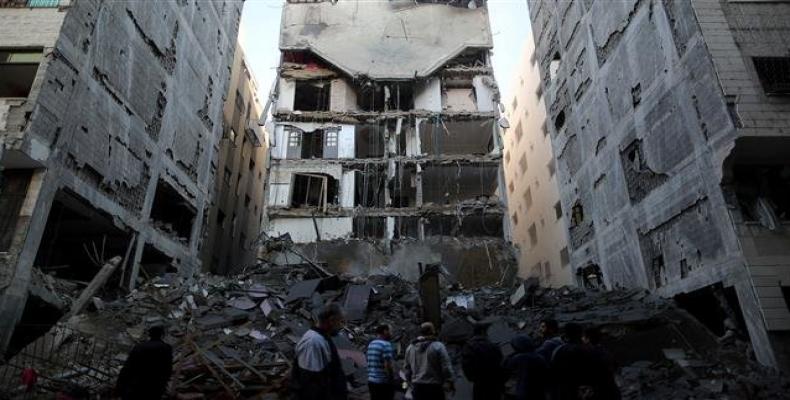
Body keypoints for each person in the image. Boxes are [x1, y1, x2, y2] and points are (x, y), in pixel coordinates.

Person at [291, 303, 348, 400]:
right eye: (341, 322)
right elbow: (311, 383)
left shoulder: (322, 338)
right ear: (331, 320)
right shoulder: (313, 342)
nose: (342, 326)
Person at [116, 325, 173, 400]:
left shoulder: (139, 347)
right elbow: (168, 369)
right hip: (155, 386)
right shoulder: (167, 348)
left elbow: (128, 367)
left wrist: (120, 385)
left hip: (137, 385)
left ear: (149, 335)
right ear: (162, 335)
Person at [403, 322, 455, 400]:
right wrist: (449, 380)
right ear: (433, 331)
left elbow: (407, 368)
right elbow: (446, 366)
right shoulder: (438, 346)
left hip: (417, 387)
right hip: (434, 388)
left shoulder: (410, 347)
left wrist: (408, 382)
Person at [461, 323, 505, 400]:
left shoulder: (469, 347)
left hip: (478, 382)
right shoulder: (493, 346)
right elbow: (500, 362)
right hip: (493, 382)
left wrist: (472, 378)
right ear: (482, 332)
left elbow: (466, 365)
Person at [503, 334, 549, 400]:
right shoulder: (540, 357)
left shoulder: (518, 357)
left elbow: (506, 368)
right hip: (539, 391)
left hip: (524, 391)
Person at [549, 323, 587, 400]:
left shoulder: (559, 350)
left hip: (564, 390)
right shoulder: (587, 350)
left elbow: (553, 372)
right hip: (582, 390)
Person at [582, 327, 621, 400]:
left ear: (588, 338)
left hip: (601, 391)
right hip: (611, 389)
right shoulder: (604, 351)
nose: (582, 339)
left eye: (584, 337)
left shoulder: (590, 353)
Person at [367, 324, 396, 400]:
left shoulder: (371, 344)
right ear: (385, 331)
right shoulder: (386, 344)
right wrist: (392, 379)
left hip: (371, 382)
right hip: (382, 382)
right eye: (391, 331)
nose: (392, 333)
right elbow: (388, 366)